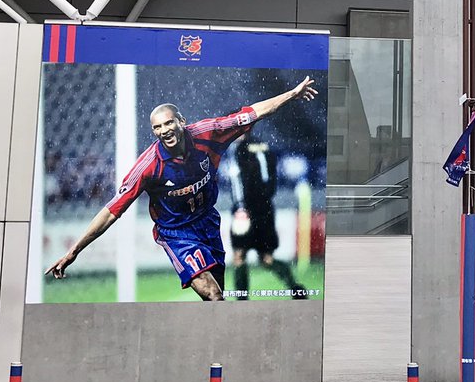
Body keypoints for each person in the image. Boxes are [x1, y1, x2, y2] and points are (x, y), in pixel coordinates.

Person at [45, 76, 318, 301]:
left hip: (208, 223)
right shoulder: (149, 166)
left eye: (168, 123)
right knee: (212, 294)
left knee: (219, 295)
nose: (164, 130)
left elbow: (252, 113)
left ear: (181, 121)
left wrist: (291, 94)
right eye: (157, 127)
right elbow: (110, 212)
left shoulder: (209, 133)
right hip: (177, 233)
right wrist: (74, 251)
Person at [225, 136, 307, 299]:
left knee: (239, 256)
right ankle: (296, 289)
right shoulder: (264, 145)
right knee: (267, 259)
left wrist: (241, 207)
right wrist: (265, 198)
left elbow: (236, 179)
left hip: (245, 209)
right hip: (266, 208)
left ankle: (242, 299)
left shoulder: (236, 149)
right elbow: (272, 177)